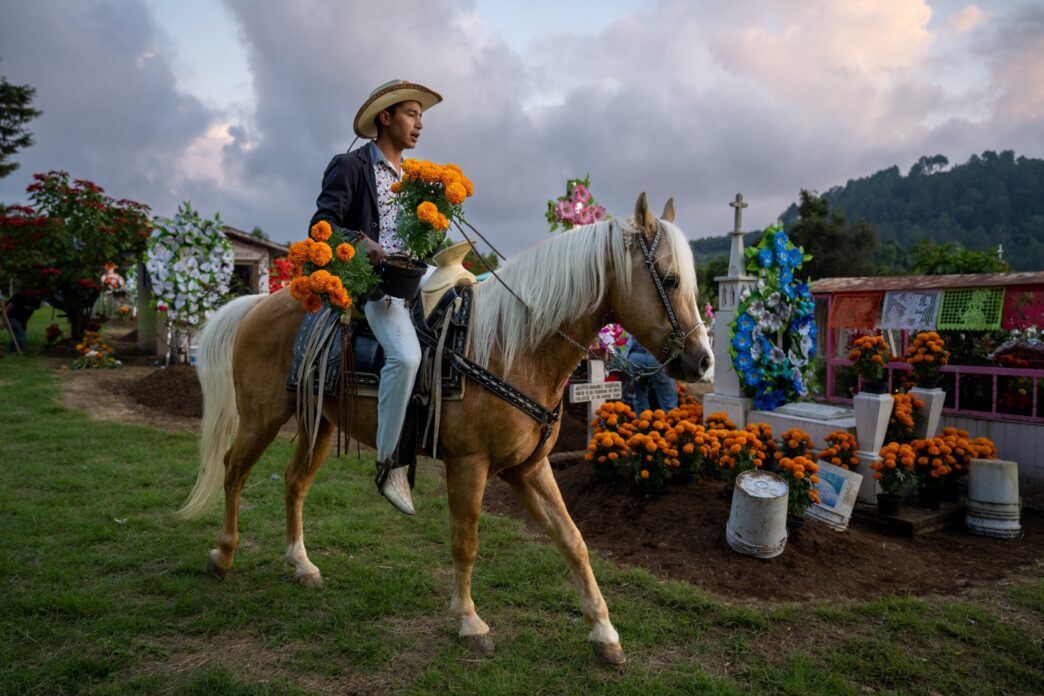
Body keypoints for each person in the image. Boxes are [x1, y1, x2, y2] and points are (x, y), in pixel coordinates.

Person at [309, 80, 442, 515]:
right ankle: (389, 464)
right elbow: (321, 227)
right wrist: (359, 241)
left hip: (412, 276)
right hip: (375, 284)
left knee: (467, 294)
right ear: (385, 118)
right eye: (410, 113)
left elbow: (416, 241)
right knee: (405, 357)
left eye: (421, 115)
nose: (418, 123)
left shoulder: (415, 178)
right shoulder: (350, 166)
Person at [626, 335, 678, 414]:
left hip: (636, 355)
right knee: (667, 398)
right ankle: (671, 423)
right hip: (658, 356)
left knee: (639, 396)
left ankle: (642, 423)